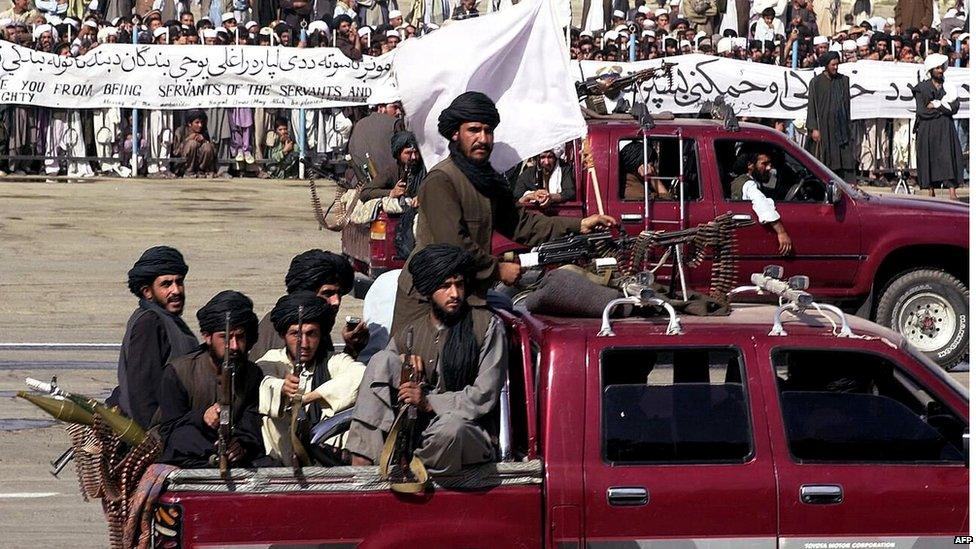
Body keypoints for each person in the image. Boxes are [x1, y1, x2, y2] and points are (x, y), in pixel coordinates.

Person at [391, 92, 616, 334]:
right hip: (427, 300)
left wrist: (579, 225)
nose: (483, 139)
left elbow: (521, 224)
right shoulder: (442, 180)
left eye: (488, 131)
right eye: (474, 130)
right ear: (455, 134)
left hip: (468, 296)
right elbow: (454, 244)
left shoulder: (487, 179)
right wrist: (497, 270)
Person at [347, 244, 505, 476]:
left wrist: (429, 402)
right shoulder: (410, 332)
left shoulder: (486, 326)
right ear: (429, 290)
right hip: (418, 432)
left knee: (452, 430)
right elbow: (383, 376)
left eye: (459, 285)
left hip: (467, 430)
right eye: (445, 286)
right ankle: (363, 465)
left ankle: (411, 468)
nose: (455, 294)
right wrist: (402, 363)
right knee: (381, 361)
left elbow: (485, 395)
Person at [256, 291, 365, 466]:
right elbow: (263, 382)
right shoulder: (272, 360)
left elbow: (360, 375)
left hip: (328, 463)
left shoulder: (331, 361)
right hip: (281, 464)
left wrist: (309, 398)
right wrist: (282, 389)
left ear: (321, 334)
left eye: (311, 334)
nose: (304, 344)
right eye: (295, 335)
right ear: (283, 335)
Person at [157, 290, 265, 468]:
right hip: (189, 453)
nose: (234, 346)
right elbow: (169, 430)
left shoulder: (253, 375)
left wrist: (241, 446)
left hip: (233, 457)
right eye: (226, 337)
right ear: (207, 337)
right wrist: (202, 417)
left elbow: (251, 426)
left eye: (240, 337)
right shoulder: (179, 372)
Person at [106, 246, 198, 430]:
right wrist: (155, 439)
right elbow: (142, 394)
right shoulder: (149, 323)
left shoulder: (168, 321)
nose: (176, 290)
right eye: (166, 284)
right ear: (147, 292)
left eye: (179, 282)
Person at [249, 249, 368, 362]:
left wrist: (351, 348)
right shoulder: (290, 325)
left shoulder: (318, 325)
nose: (336, 301)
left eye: (339, 294)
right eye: (328, 293)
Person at [914, 53, 964, 200]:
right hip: (927, 129)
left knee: (948, 157)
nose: (940, 71)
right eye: (937, 68)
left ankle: (952, 193)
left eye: (942, 67)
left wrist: (936, 106)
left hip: (945, 129)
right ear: (931, 70)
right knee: (929, 157)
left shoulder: (949, 87)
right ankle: (931, 192)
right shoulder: (921, 88)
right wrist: (943, 110)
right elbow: (922, 112)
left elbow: (954, 108)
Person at [730, 149, 793, 255]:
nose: (769, 168)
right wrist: (781, 232)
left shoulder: (748, 181)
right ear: (750, 165)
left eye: (770, 164)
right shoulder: (749, 184)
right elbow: (761, 203)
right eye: (764, 164)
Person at [804, 51, 856, 182]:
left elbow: (846, 106)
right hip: (823, 128)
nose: (836, 67)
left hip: (840, 128)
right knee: (824, 159)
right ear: (826, 65)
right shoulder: (816, 82)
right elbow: (811, 107)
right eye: (833, 65)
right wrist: (814, 128)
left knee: (843, 159)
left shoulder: (843, 81)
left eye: (837, 64)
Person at [350, 98, 405, 200]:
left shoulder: (359, 124)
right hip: (388, 187)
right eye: (395, 107)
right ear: (380, 107)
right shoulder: (395, 123)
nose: (398, 112)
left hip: (360, 184)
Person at [174, 109, 218, 177]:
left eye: (201, 122)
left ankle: (201, 171)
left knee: (207, 146)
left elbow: (213, 151)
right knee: (192, 144)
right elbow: (176, 152)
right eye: (197, 123)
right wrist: (187, 140)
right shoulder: (180, 131)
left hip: (199, 166)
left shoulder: (205, 132)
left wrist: (204, 140)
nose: (200, 125)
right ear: (189, 123)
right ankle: (189, 172)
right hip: (183, 165)